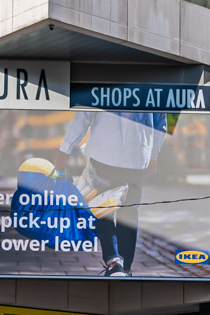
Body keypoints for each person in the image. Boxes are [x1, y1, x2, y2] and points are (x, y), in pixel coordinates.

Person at [61, 110, 170, 277]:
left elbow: (84, 114)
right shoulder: (154, 83)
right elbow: (160, 118)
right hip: (137, 156)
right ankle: (125, 269)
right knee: (129, 212)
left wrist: (66, 148)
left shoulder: (98, 82)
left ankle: (114, 262)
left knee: (102, 207)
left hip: (104, 154)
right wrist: (153, 154)